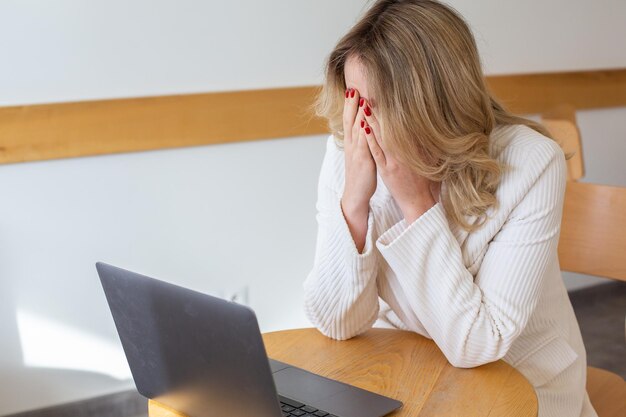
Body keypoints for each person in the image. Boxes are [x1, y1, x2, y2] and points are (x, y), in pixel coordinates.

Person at [302, 1, 598, 416]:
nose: (363, 123)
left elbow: (478, 345)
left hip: (520, 385)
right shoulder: (349, 149)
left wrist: (417, 204)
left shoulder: (532, 162)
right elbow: (337, 322)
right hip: (410, 373)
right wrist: (354, 204)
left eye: (379, 105)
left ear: (434, 105)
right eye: (356, 99)